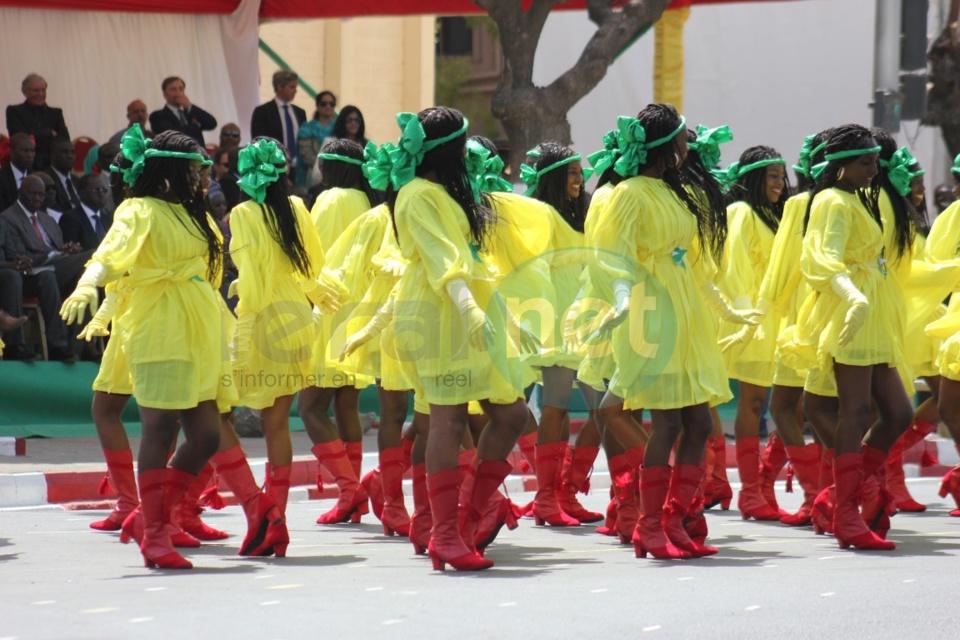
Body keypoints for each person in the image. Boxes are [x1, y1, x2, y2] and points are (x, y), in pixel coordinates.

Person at [59, 128, 280, 569]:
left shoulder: (192, 213)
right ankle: (155, 533)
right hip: (157, 324)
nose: (202, 178)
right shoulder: (139, 209)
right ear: (171, 170)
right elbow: (112, 252)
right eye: (195, 170)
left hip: (199, 327)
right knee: (159, 430)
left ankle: (148, 517)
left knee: (206, 435)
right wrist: (88, 285)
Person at [586, 104, 759, 559]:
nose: (689, 145)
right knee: (665, 422)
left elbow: (692, 259)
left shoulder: (676, 191)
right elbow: (611, 254)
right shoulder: (629, 193)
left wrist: (726, 308)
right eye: (684, 138)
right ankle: (650, 525)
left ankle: (675, 518)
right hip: (651, 309)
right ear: (668, 144)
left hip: (684, 309)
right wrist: (623, 298)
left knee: (699, 421)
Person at [386, 107, 531, 571]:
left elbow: (468, 258)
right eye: (462, 142)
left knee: (511, 415)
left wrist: (502, 317)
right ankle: (445, 533)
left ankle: (463, 520)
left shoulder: (446, 192)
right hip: (438, 311)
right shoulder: (416, 194)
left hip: (467, 306)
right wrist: (468, 307)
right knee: (446, 422)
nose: (469, 150)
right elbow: (441, 258)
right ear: (445, 148)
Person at [781, 124, 913, 551]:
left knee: (897, 414)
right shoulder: (831, 201)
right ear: (839, 166)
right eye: (865, 162)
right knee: (853, 412)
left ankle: (843, 496)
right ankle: (847, 515)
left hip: (871, 312)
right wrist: (853, 297)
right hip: (850, 312)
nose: (874, 169)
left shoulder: (859, 199)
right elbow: (820, 258)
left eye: (875, 161)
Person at [227, 137, 337, 552]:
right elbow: (312, 264)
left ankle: (262, 514)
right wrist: (316, 293)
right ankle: (278, 520)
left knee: (217, 413)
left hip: (263, 318)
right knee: (278, 421)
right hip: (296, 317)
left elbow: (253, 284)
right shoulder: (295, 207)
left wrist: (244, 327)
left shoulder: (242, 212)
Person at [519, 141, 603, 527]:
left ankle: (568, 489)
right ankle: (546, 498)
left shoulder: (585, 213)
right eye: (571, 173)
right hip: (554, 320)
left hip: (587, 320)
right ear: (553, 176)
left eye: (579, 172)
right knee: (555, 408)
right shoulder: (542, 214)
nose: (579, 178)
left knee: (604, 411)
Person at [298, 138, 378, 526]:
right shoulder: (366, 200)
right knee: (347, 404)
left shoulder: (331, 200)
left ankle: (350, 489)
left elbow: (316, 255)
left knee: (310, 406)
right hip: (360, 309)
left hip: (331, 307)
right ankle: (353, 493)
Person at [713, 145, 791, 522]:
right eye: (773, 176)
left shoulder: (775, 216)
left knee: (788, 405)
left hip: (777, 320)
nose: (779, 183)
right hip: (753, 318)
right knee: (755, 402)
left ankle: (762, 484)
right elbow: (735, 268)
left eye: (782, 176)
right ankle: (750, 491)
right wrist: (749, 321)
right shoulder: (741, 212)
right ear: (756, 178)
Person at [5, 73, 70, 171]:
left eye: (43, 90)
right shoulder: (14, 111)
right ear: (25, 92)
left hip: (52, 164)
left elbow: (64, 139)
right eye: (35, 90)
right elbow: (17, 136)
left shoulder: (56, 113)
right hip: (26, 165)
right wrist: (48, 133)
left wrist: (32, 134)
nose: (40, 94)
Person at [250, 71, 307, 164]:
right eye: (292, 87)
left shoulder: (300, 113)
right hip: (275, 166)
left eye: (295, 87)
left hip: (298, 167)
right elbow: (259, 141)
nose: (295, 91)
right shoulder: (263, 111)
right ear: (279, 87)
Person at [148, 76, 217, 147]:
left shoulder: (190, 112)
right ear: (165, 94)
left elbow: (212, 123)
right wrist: (195, 127)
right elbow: (172, 135)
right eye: (173, 90)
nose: (178, 93)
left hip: (199, 155)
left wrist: (189, 106)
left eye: (181, 89)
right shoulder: (157, 115)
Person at [59, 174, 112, 251]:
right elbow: (73, 253)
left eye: (104, 190)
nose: (101, 194)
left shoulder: (108, 217)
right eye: (97, 191)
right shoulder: (70, 219)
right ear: (82, 193)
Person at [296, 90, 338, 187]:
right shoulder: (306, 128)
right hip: (310, 176)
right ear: (317, 106)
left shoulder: (341, 128)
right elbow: (306, 155)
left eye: (331, 104)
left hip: (335, 177)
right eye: (324, 104)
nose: (328, 106)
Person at [0, 133, 36, 211]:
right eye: (25, 151)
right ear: (11, 151)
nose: (30, 155)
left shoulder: (36, 178)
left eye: (32, 151)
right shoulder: (2, 179)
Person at [44, 137, 80, 212]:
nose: (70, 156)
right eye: (64, 152)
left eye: (72, 152)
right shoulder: (45, 179)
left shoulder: (78, 181)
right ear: (53, 155)